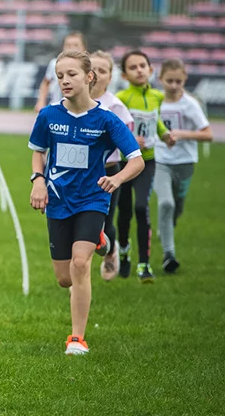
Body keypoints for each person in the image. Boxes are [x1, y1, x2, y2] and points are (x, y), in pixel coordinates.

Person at [29, 50, 144, 355]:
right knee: (64, 279)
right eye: (60, 76)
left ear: (89, 77)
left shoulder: (107, 119)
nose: (65, 81)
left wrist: (116, 180)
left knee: (81, 265)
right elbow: (38, 151)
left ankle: (77, 339)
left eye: (72, 75)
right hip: (57, 200)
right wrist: (37, 180)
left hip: (93, 200)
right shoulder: (49, 115)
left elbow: (136, 160)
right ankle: (103, 242)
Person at [115, 50, 176, 283]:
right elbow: (115, 128)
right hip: (124, 161)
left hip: (147, 161)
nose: (139, 70)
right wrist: (130, 139)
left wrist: (165, 134)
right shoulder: (122, 97)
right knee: (125, 211)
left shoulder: (157, 97)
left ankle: (144, 264)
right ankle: (123, 252)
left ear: (151, 70)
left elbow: (155, 120)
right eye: (133, 67)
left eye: (143, 65)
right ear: (124, 74)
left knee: (141, 208)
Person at [153, 59, 213, 274]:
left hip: (185, 162)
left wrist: (183, 134)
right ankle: (169, 255)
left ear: (184, 80)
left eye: (178, 81)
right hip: (159, 161)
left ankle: (166, 226)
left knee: (176, 207)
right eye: (169, 80)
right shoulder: (154, 100)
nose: (174, 85)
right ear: (160, 80)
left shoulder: (190, 104)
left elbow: (208, 134)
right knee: (166, 203)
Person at [89, 50, 134, 281]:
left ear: (110, 77)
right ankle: (78, 270)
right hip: (80, 174)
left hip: (108, 173)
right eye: (93, 68)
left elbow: (129, 144)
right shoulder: (70, 102)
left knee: (106, 223)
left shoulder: (116, 107)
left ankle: (111, 252)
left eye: (103, 70)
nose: (97, 74)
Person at [34, 32, 87, 112]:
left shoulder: (88, 66)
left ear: (83, 47)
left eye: (76, 45)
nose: (71, 48)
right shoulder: (54, 64)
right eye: (68, 45)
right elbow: (46, 83)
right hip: (57, 108)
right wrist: (41, 101)